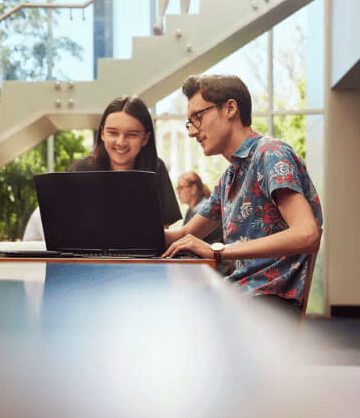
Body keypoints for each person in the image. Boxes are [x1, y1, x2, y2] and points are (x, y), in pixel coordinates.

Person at [161, 74, 323, 315]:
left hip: (269, 300)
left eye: (198, 117)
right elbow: (185, 233)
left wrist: (217, 251)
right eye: (190, 122)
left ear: (230, 108)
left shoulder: (271, 154)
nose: (192, 132)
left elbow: (307, 234)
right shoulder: (230, 176)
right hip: (243, 292)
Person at [69, 95, 182, 227]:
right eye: (113, 133)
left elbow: (162, 230)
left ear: (145, 138)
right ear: (102, 134)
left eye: (132, 135)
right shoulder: (82, 169)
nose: (121, 142)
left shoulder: (155, 168)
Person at [175, 171, 222, 244]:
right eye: (177, 188)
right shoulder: (192, 209)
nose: (178, 192)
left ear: (193, 188)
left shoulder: (200, 209)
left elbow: (184, 238)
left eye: (181, 187)